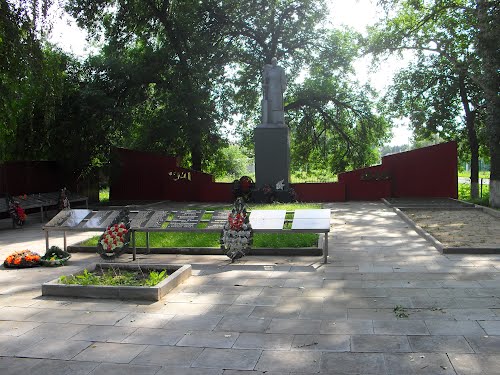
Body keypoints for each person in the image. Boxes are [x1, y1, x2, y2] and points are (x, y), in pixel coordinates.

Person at [262, 57, 287, 126]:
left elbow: (283, 79)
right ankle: (270, 120)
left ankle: (279, 120)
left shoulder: (280, 69)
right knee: (270, 104)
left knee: (277, 105)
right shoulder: (269, 71)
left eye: (275, 61)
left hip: (278, 89)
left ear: (276, 62)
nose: (274, 63)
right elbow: (266, 79)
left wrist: (283, 86)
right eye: (272, 61)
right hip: (270, 90)